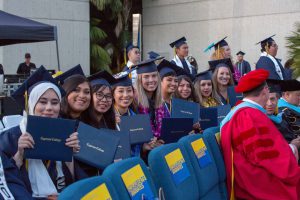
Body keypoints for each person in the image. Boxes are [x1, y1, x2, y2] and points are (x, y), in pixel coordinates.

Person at [0, 67, 80, 198]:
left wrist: (70, 156)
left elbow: (73, 183)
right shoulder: (8, 139)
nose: (49, 108)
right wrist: (19, 155)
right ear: (31, 104)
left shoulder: (66, 134)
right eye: (42, 102)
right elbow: (6, 184)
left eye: (55, 103)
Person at [221, 69, 300, 199]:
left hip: (251, 178)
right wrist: (292, 148)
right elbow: (264, 156)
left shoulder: (242, 111)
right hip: (257, 184)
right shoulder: (248, 115)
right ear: (265, 90)